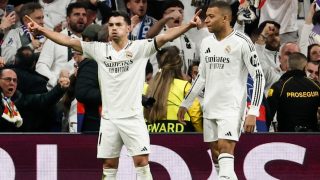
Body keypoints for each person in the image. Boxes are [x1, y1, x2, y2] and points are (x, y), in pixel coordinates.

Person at [27, 9, 201, 179]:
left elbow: (165, 36)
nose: (114, 28)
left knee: (141, 163)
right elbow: (66, 41)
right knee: (109, 165)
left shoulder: (141, 48)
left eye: (118, 24)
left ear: (128, 28)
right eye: (111, 25)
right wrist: (41, 29)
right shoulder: (99, 50)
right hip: (109, 119)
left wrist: (189, 26)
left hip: (133, 117)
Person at [177, 2, 265, 179]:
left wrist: (253, 111)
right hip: (209, 107)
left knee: (226, 148)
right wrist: (186, 102)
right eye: (206, 16)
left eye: (211, 16)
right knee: (217, 156)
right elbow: (201, 77)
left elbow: (259, 76)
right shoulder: (205, 43)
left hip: (231, 107)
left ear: (225, 18)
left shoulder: (242, 41)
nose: (206, 20)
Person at [144, 46, 202, 133]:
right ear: (179, 65)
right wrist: (201, 134)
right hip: (181, 135)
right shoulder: (185, 86)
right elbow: (195, 116)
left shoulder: (147, 87)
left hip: (151, 134)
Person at [35, 2, 87, 90]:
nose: (81, 17)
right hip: (57, 93)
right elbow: (41, 66)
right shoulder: (54, 39)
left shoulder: (87, 45)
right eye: (77, 14)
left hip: (80, 93)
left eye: (84, 15)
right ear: (68, 19)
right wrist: (56, 82)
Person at [0, 68, 69, 132]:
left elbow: (44, 99)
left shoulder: (20, 99)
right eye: (8, 79)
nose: (12, 83)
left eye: (15, 80)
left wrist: (59, 88)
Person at [267, 52, 320, 132]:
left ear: (287, 66)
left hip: (285, 138)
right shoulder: (316, 86)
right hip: (312, 137)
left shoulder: (278, 86)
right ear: (305, 67)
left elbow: (268, 115)